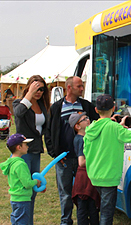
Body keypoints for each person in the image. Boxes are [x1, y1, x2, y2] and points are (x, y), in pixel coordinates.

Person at [84, 94, 131, 225]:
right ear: (114, 108)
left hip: (94, 176)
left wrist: (118, 126)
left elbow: (85, 152)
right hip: (109, 178)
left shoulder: (90, 129)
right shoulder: (114, 128)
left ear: (96, 110)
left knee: (104, 209)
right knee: (106, 214)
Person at [45, 76, 99, 225]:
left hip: (84, 159)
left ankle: (86, 218)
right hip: (64, 159)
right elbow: (48, 132)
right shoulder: (56, 107)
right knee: (65, 193)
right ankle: (66, 221)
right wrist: (55, 154)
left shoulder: (86, 106)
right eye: (79, 86)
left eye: (82, 86)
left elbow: (100, 122)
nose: (82, 89)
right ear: (69, 88)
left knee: (85, 191)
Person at [12, 74, 49, 225]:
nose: (39, 92)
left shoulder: (42, 106)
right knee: (23, 191)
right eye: (35, 88)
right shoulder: (19, 103)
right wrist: (29, 94)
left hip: (36, 151)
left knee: (33, 191)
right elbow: (18, 113)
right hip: (23, 152)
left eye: (41, 89)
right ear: (28, 87)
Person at [0, 133, 42, 225]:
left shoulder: (12, 162)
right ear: (19, 147)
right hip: (22, 200)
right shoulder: (20, 164)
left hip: (15, 199)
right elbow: (27, 183)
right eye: (25, 145)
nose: (27, 147)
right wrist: (36, 182)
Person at [69, 112, 100, 225]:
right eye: (84, 119)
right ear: (77, 126)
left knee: (92, 206)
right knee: (84, 208)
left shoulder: (85, 138)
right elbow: (81, 162)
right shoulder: (80, 139)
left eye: (87, 117)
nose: (88, 120)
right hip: (84, 177)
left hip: (88, 175)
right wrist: (97, 157)